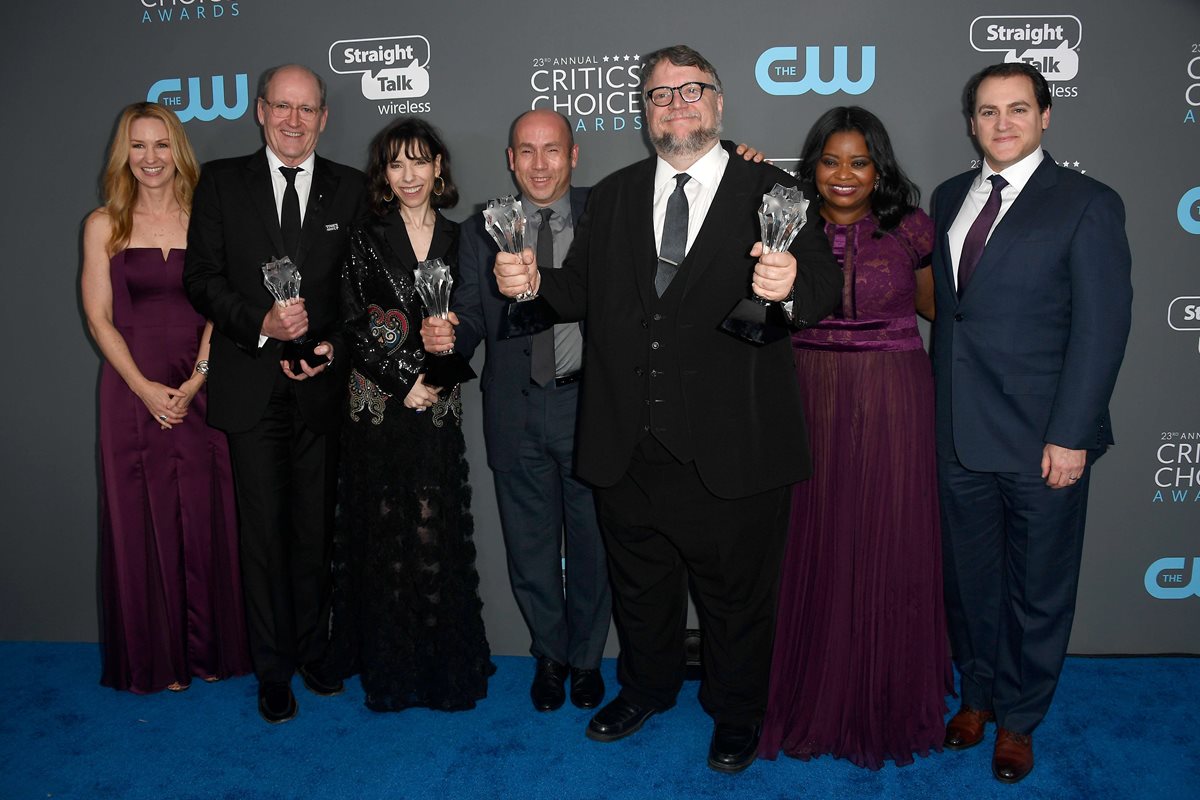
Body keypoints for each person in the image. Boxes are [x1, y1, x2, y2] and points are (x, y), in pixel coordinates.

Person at [494, 44, 842, 773]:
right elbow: (579, 293)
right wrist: (527, 284)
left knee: (738, 601)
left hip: (735, 447)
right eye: (659, 95)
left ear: (718, 103)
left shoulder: (773, 190)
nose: (676, 104)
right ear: (644, 112)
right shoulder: (616, 195)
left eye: (691, 91)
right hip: (629, 444)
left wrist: (785, 284)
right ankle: (646, 687)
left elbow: (820, 288)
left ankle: (737, 712)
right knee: (641, 588)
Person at [930, 62, 1132, 783]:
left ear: (1046, 116)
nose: (1003, 123)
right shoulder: (950, 195)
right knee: (970, 583)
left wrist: (1072, 433)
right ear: (972, 122)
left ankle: (1020, 719)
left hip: (1044, 437)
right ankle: (978, 697)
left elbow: (1102, 329)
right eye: (988, 111)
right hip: (957, 434)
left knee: (1038, 589)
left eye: (1018, 109)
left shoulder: (1086, 203)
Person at [756, 107, 953, 769]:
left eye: (859, 162)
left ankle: (884, 695)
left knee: (886, 541)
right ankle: (811, 692)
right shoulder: (783, 222)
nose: (844, 175)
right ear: (811, 166)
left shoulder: (913, 228)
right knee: (810, 542)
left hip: (893, 396)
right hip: (805, 393)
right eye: (831, 161)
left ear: (880, 168)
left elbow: (934, 309)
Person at [183, 64, 366, 724]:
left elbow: (360, 295)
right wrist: (259, 325)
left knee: (316, 530)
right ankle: (272, 669)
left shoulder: (351, 190)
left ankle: (314, 651)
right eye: (282, 107)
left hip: (320, 389)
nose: (294, 119)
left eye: (307, 108)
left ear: (324, 117)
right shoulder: (222, 182)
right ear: (260, 111)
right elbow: (201, 279)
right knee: (263, 535)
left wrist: (332, 350)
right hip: (250, 384)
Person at [421, 109, 610, 713]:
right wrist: (450, 336)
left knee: (594, 548)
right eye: (525, 151)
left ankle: (586, 661)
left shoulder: (608, 215)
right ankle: (549, 658)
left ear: (574, 155)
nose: (538, 164)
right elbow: (474, 319)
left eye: (551, 150)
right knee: (529, 550)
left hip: (592, 409)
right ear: (509, 159)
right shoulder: (481, 230)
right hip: (516, 412)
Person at [83, 101, 251, 694]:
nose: (150, 158)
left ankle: (211, 652)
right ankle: (158, 660)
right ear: (122, 154)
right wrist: (143, 387)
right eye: (137, 146)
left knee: (210, 515)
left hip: (200, 382)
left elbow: (219, 303)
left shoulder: (206, 215)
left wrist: (198, 378)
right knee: (142, 521)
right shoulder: (104, 224)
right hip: (132, 391)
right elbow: (100, 319)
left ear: (176, 150)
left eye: (160, 145)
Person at [328, 117, 493, 712]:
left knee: (434, 529)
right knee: (383, 535)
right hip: (378, 407)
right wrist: (403, 382)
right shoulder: (364, 235)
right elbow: (351, 321)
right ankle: (391, 669)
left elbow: (470, 318)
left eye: (419, 161)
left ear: (439, 167)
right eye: (396, 164)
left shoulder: (462, 237)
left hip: (438, 406)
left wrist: (429, 382)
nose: (409, 175)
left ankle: (440, 667)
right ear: (385, 174)